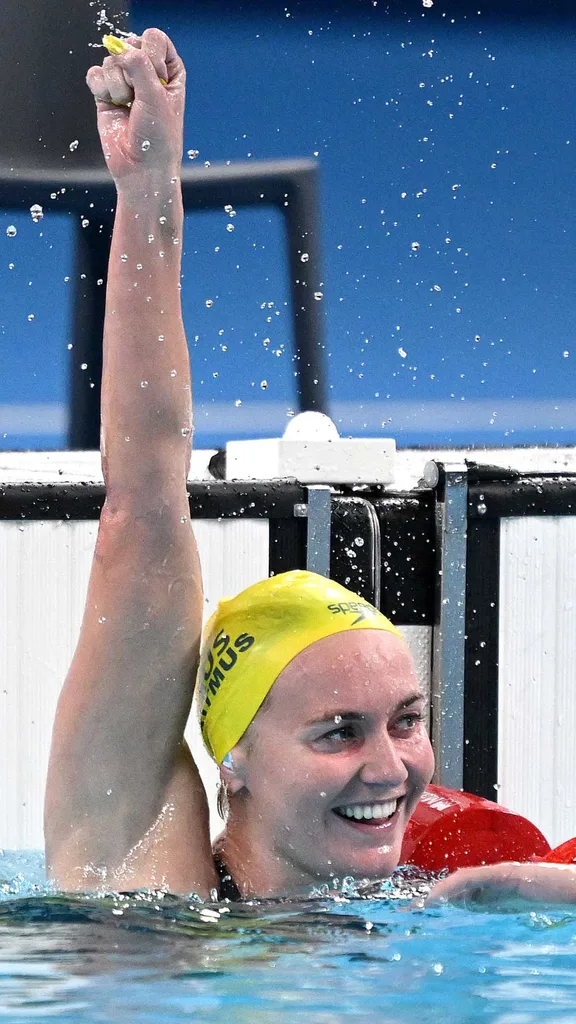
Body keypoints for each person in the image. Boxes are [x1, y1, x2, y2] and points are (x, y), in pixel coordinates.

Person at [44, 28, 576, 907]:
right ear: (237, 761)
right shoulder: (146, 872)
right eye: (337, 733)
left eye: (406, 722)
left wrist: (486, 892)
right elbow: (142, 501)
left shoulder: (451, 893)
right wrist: (148, 194)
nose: (390, 769)